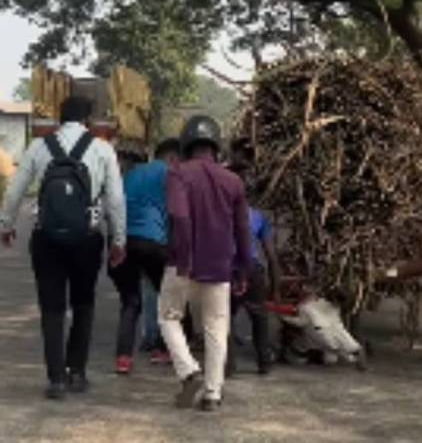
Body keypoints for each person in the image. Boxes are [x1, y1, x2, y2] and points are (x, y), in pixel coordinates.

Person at [0, 96, 126, 400]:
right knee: (84, 304)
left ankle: (55, 379)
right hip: (87, 238)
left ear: (59, 119)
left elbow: (16, 188)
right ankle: (77, 373)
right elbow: (115, 200)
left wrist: (7, 225)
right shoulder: (102, 149)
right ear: (88, 121)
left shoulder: (39, 147)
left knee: (52, 307)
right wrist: (118, 240)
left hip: (47, 238)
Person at [159, 115, 250, 411]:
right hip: (220, 264)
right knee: (216, 326)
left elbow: (180, 217)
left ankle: (188, 371)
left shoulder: (177, 174)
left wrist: (184, 257)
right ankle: (213, 393)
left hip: (181, 263)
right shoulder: (233, 181)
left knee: (168, 317)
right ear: (215, 145)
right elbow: (242, 230)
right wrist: (242, 268)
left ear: (186, 144)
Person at [109, 139, 181, 374]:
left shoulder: (131, 174)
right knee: (169, 297)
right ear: (172, 157)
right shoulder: (169, 173)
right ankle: (163, 349)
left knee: (131, 302)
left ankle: (123, 357)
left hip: (125, 241)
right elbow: (175, 213)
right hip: (154, 242)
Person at [225, 164, 280, 377]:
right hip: (253, 271)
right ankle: (264, 363)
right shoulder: (258, 216)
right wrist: (275, 288)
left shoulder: (221, 214)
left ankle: (229, 366)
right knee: (259, 317)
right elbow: (272, 257)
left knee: (224, 319)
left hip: (227, 270)